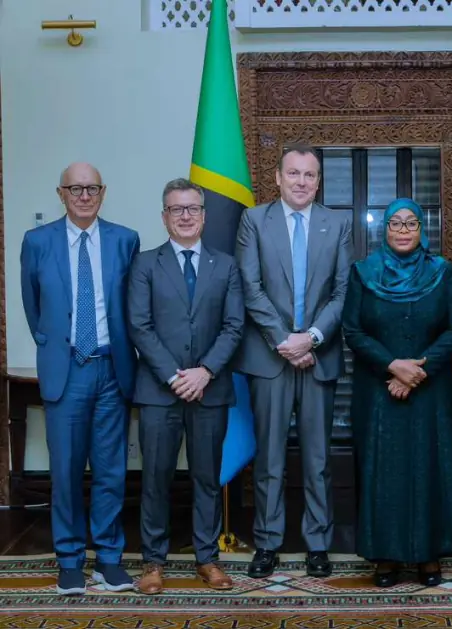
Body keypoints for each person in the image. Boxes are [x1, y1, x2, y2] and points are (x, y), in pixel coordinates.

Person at [20, 163, 139, 595]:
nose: (84, 196)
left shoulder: (125, 240)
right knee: (66, 471)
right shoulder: (37, 242)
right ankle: (69, 561)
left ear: (103, 192)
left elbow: (131, 304)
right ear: (61, 193)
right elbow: (33, 308)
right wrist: (54, 346)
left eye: (92, 188)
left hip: (112, 368)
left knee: (111, 470)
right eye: (75, 188)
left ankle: (108, 559)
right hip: (66, 369)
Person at [235, 143, 353, 579]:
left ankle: (317, 544)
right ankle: (267, 542)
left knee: (317, 459)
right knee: (269, 458)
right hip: (271, 357)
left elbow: (342, 291)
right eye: (294, 173)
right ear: (278, 178)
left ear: (318, 182)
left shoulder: (336, 223)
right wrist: (286, 341)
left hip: (318, 356)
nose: (301, 181)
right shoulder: (254, 220)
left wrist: (312, 338)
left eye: (309, 175)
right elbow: (250, 287)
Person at [342, 198, 452, 587]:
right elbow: (353, 330)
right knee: (383, 471)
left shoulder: (442, 272)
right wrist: (392, 365)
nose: (403, 230)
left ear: (421, 229)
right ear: (384, 229)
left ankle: (429, 555)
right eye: (395, 223)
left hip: (432, 390)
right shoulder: (363, 272)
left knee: (430, 466)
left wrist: (417, 370)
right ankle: (385, 558)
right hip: (378, 391)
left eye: (410, 223)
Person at [126, 178, 244, 594]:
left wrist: (205, 371)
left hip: (210, 389)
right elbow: (139, 326)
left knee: (207, 477)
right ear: (164, 216)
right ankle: (153, 562)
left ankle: (207, 559)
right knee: (155, 477)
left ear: (204, 216)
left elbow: (234, 326)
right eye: (177, 209)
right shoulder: (144, 264)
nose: (186, 216)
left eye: (193, 208)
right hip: (159, 391)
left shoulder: (226, 265)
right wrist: (176, 376)